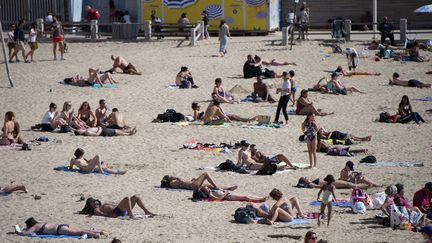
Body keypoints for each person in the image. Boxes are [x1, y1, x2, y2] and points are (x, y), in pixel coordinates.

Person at [16, 217, 103, 238]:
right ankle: (99, 231)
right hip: (62, 225)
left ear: (29, 225)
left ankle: (96, 235)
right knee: (81, 230)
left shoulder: (34, 227)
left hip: (59, 230)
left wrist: (17, 231)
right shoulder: (40, 223)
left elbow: (24, 234)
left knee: (78, 233)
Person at [81, 196, 155, 219]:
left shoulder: (101, 205)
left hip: (122, 209)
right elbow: (102, 214)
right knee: (127, 198)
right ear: (90, 205)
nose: (95, 202)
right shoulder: (96, 209)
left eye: (95, 201)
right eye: (93, 202)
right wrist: (110, 216)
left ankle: (146, 211)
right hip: (117, 212)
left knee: (136, 197)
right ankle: (131, 215)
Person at [160, 173, 237, 190]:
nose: (171, 176)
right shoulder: (172, 182)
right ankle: (217, 187)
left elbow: (183, 183)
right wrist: (176, 177)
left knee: (210, 186)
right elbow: (181, 181)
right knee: (205, 174)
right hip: (193, 186)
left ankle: (228, 188)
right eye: (170, 176)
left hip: (192, 184)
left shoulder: (173, 182)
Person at [198, 186, 266, 202]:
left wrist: (225, 190)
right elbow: (218, 199)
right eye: (207, 189)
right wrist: (225, 193)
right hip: (229, 196)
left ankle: (259, 198)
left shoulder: (212, 191)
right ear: (205, 191)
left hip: (229, 194)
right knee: (245, 197)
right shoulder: (210, 195)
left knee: (246, 195)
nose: (208, 188)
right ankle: (260, 199)